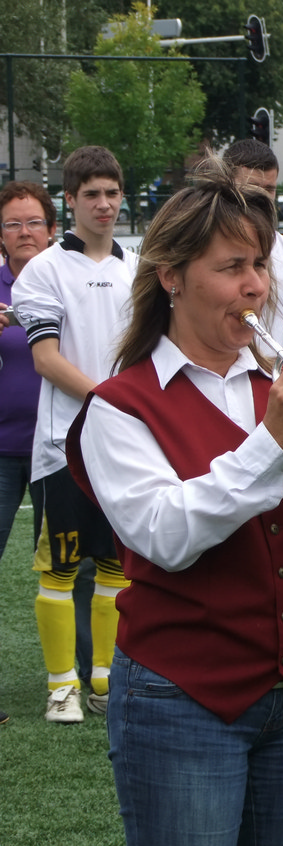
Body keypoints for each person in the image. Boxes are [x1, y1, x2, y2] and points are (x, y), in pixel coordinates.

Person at [65, 159, 283, 846]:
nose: (255, 288)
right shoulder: (120, 406)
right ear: (172, 278)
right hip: (181, 698)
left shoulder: (279, 386)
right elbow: (164, 537)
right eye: (231, 268)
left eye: (260, 267)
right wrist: (273, 440)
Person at [11, 146, 135, 724]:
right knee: (60, 566)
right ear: (70, 200)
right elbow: (45, 359)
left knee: (114, 565)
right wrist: (110, 400)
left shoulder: (139, 268)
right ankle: (61, 687)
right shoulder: (45, 270)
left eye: (111, 193)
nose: (103, 204)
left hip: (125, 444)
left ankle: (103, 681)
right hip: (64, 445)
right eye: (91, 194)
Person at [0, 181, 58, 728]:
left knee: (72, 564)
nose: (24, 232)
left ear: (51, 229)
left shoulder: (64, 280)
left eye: (33, 221)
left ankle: (85, 676)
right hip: (1, 450)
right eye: (13, 224)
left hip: (58, 448)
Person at [223, 139, 283, 353]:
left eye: (269, 189)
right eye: (250, 188)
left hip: (272, 373)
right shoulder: (205, 252)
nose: (262, 198)